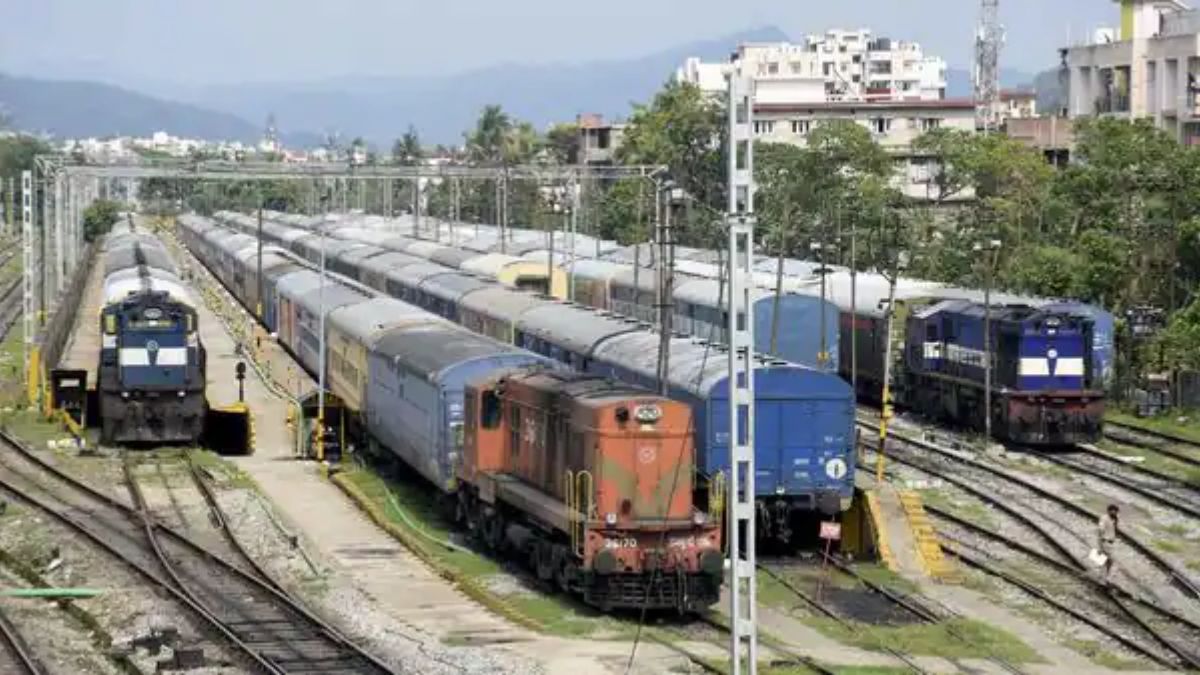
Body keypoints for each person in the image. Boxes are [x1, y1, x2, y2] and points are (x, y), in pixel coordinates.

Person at [1097, 504, 1120, 583]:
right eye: (1113, 511)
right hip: (1105, 542)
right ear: (1109, 511)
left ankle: (1102, 578)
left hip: (1109, 543)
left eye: (1116, 511)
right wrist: (1100, 545)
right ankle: (1107, 579)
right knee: (1112, 562)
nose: (1115, 513)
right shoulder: (1104, 518)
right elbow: (1100, 530)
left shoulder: (1114, 519)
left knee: (1105, 561)